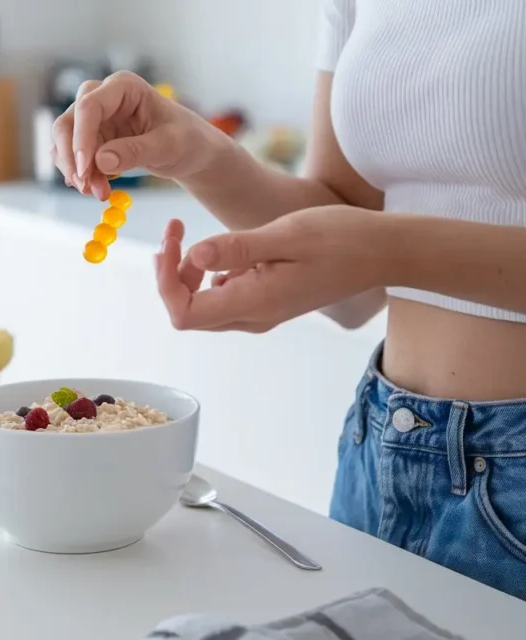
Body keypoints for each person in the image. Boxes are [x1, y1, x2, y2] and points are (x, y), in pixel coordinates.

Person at [50, 0, 526, 601]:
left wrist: (390, 250)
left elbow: (371, 248)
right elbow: (350, 268)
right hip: (383, 444)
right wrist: (201, 156)